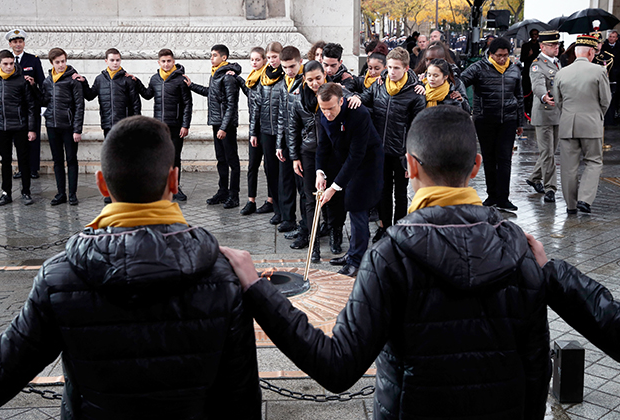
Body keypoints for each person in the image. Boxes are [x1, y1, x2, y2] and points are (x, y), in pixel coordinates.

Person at [222, 105, 553, 419]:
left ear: (409, 165)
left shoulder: (391, 255)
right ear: (476, 165)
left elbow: (337, 366)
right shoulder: (523, 250)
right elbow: (537, 367)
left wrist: (257, 290)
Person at [0, 115, 262, 419]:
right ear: (173, 181)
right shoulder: (223, 277)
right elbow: (242, 397)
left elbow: (1, 371)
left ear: (102, 183)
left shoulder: (58, 279)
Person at [349, 47, 425, 244]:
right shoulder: (379, 85)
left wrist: (412, 156)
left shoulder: (416, 94)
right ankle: (383, 227)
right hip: (379, 150)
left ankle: (399, 227)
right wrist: (355, 97)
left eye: (396, 68)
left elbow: (417, 129)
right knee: (382, 191)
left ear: (407, 69)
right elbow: (365, 97)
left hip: (401, 152)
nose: (392, 71)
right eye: (390, 67)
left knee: (400, 193)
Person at [315, 82, 384, 276]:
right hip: (345, 159)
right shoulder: (324, 111)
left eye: (331, 109)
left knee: (357, 207)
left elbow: (357, 155)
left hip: (367, 162)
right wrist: (320, 172)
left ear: (342, 101)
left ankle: (357, 260)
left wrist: (334, 187)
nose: (327, 113)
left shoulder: (358, 114)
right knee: (349, 204)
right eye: (323, 109)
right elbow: (323, 145)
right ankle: (353, 252)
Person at [461, 37, 524, 212]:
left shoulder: (514, 69)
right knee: (489, 158)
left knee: (505, 158)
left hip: (508, 120)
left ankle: (503, 198)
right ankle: (492, 195)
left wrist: (520, 121)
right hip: (485, 119)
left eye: (505, 55)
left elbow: (519, 96)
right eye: (499, 56)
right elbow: (460, 81)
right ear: (491, 54)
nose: (502, 59)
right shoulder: (479, 68)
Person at [74, 48, 141, 204]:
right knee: (111, 160)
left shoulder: (127, 79)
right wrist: (83, 82)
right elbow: (90, 96)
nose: (115, 63)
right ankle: (111, 191)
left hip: (124, 126)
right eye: (112, 60)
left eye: (117, 60)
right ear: (106, 61)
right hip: (107, 125)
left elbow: (135, 104)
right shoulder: (100, 79)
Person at [554, 34, 612, 214]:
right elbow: (606, 99)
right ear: (591, 52)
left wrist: (568, 114)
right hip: (591, 123)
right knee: (594, 161)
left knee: (568, 167)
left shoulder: (561, 72)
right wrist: (596, 114)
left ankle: (571, 205)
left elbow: (558, 101)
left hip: (567, 124)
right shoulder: (599, 71)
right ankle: (585, 200)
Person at [185, 44, 242, 209]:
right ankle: (222, 192)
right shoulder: (216, 74)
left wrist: (224, 128)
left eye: (214, 55)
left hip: (227, 125)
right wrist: (191, 85)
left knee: (232, 160)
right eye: (211, 55)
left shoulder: (229, 77)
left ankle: (234, 195)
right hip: (217, 123)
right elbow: (211, 92)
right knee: (221, 159)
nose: (211, 58)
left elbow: (232, 105)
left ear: (223, 58)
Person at [135, 48, 192, 202]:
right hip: (159, 126)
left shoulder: (181, 80)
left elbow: (187, 104)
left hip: (176, 125)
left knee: (175, 157)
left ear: (173, 62)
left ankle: (175, 187)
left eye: (169, 61)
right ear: (159, 62)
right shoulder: (155, 79)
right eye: (163, 61)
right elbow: (147, 95)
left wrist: (185, 125)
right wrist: (136, 82)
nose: (166, 64)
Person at [287, 60, 327, 260]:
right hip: (308, 153)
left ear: (324, 75)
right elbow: (292, 129)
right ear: (304, 79)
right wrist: (294, 157)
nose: (314, 83)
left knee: (331, 197)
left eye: (318, 78)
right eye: (310, 79)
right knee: (310, 199)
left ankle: (335, 235)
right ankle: (315, 246)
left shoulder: (335, 94)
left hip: (330, 153)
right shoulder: (298, 99)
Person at [35, 47, 85, 206]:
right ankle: (60, 193)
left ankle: (72, 194)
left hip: (69, 127)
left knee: (71, 159)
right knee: (57, 161)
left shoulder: (73, 80)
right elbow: (43, 101)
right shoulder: (47, 81)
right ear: (52, 63)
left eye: (63, 61)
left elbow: (79, 106)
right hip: (52, 125)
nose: (61, 64)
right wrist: (32, 87)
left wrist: (77, 129)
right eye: (58, 62)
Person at [0, 49, 36, 206]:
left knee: (23, 160)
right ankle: (6, 193)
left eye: (11, 64)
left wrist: (31, 129)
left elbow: (30, 105)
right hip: (2, 127)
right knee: (5, 160)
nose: (9, 67)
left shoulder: (22, 80)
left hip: (20, 126)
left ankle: (26, 192)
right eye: (6, 64)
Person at [249, 42, 285, 227]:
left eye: (274, 57)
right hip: (265, 130)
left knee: (283, 174)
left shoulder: (286, 76)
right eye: (269, 57)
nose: (271, 61)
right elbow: (256, 106)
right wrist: (253, 132)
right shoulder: (262, 77)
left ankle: (286, 213)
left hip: (282, 131)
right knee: (271, 172)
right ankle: (277, 210)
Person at [525, 31, 562, 204]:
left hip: (556, 114)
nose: (557, 47)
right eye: (552, 45)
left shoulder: (557, 63)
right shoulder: (537, 64)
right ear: (542, 47)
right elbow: (538, 84)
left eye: (557, 44)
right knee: (548, 153)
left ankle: (534, 177)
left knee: (550, 152)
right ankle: (550, 188)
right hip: (544, 113)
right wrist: (543, 96)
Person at [238, 47, 274, 216]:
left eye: (257, 60)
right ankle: (251, 200)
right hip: (255, 127)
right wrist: (237, 78)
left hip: (263, 129)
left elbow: (258, 109)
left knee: (268, 166)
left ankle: (270, 200)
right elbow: (250, 97)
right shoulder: (251, 79)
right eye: (252, 60)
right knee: (252, 165)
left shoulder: (266, 79)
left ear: (264, 61)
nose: (254, 62)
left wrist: (253, 133)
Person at [6, 29, 44, 180]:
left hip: (32, 105)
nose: (18, 45)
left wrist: (33, 83)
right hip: (15, 106)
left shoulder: (33, 60)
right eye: (15, 42)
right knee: (19, 140)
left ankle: (33, 169)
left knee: (33, 138)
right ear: (10, 44)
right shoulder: (8, 62)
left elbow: (42, 82)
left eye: (20, 42)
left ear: (24, 43)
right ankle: (22, 169)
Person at [276, 46, 305, 237]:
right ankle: (288, 218)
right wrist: (279, 143)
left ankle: (305, 223)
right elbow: (280, 115)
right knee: (285, 180)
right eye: (285, 67)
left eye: (292, 66)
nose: (289, 71)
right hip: (286, 139)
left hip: (302, 141)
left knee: (302, 184)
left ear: (300, 61)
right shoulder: (283, 83)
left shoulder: (305, 82)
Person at [521, 29, 540, 117]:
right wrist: (529, 55)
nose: (534, 36)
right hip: (527, 72)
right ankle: (525, 110)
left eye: (536, 34)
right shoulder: (526, 46)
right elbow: (522, 59)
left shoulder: (540, 46)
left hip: (538, 71)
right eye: (533, 34)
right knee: (526, 92)